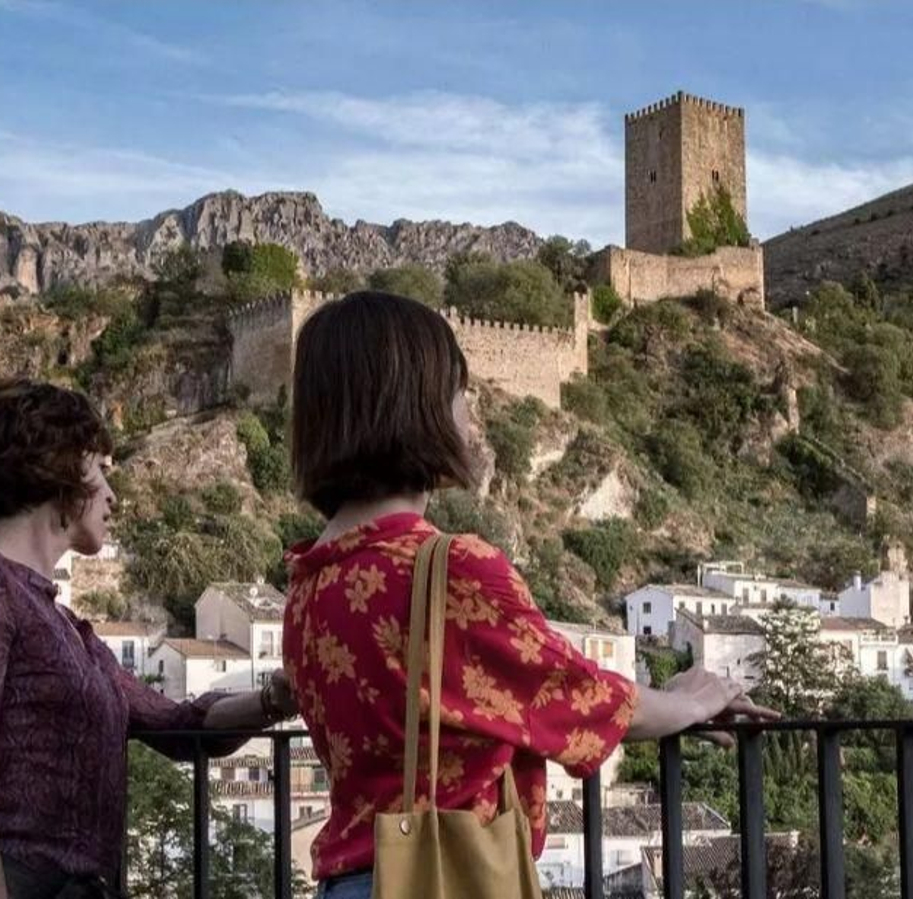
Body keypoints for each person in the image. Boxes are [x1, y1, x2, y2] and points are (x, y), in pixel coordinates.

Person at [282, 292, 777, 899]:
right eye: (460, 391)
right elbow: (567, 693)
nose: (471, 411)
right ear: (414, 407)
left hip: (345, 882)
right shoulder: (452, 571)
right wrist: (688, 703)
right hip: (446, 878)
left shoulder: (309, 583)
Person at [0, 378, 299, 899]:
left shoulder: (65, 627)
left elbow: (179, 726)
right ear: (60, 470)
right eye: (102, 471)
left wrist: (277, 697)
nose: (113, 496)